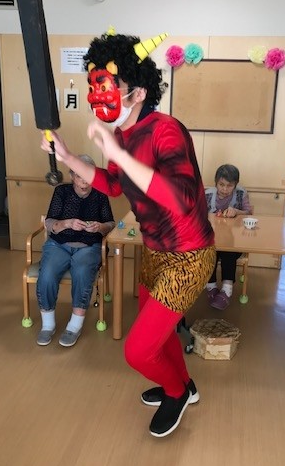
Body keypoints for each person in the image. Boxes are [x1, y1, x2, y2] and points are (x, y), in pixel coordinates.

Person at [41, 30, 216, 438]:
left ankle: (175, 393)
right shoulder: (121, 135)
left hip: (189, 255)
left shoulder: (166, 130)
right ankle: (183, 386)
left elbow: (182, 198)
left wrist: (117, 153)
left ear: (138, 92)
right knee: (160, 334)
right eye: (95, 86)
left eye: (108, 85)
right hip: (154, 251)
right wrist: (67, 157)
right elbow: (115, 185)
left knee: (137, 350)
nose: (98, 95)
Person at [37, 154, 115, 348]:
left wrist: (100, 227)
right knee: (47, 273)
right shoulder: (61, 192)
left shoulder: (100, 194)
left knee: (82, 272)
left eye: (88, 176)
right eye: (79, 176)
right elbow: (50, 222)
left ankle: (74, 325)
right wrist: (67, 223)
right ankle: (48, 324)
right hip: (59, 244)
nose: (84, 181)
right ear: (72, 176)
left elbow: (110, 224)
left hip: (89, 246)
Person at [205, 164, 252, 310]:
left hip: (234, 240)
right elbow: (198, 213)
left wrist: (237, 211)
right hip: (212, 240)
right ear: (216, 182)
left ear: (235, 185)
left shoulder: (241, 194)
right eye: (221, 185)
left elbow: (249, 213)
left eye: (229, 186)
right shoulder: (207, 194)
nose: (225, 189)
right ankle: (211, 285)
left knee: (229, 251)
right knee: (209, 251)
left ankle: (227, 288)